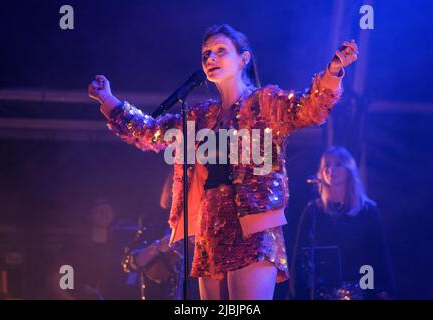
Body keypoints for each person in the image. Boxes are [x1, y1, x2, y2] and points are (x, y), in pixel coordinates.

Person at [88, 24, 358, 300]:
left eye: (220, 51)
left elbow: (309, 107)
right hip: (210, 229)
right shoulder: (201, 116)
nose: (210, 59)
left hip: (252, 226)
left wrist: (333, 71)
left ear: (243, 59)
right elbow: (151, 133)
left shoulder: (264, 103)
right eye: (206, 54)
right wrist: (108, 100)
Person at [288, 146, 395, 300]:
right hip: (321, 295)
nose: (331, 169)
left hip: (360, 292)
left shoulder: (367, 211)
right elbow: (300, 259)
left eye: (338, 164)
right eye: (327, 165)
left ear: (349, 170)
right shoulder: (313, 211)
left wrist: (378, 291)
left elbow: (377, 256)